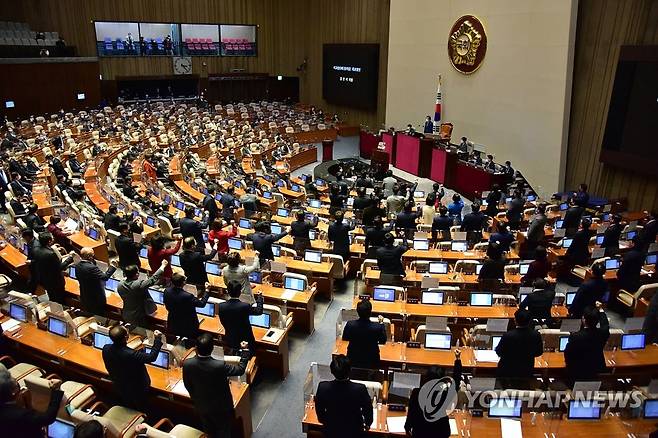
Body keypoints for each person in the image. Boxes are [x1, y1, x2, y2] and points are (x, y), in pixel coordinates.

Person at [183, 334, 250, 438]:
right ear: (212, 348)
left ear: (196, 348)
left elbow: (188, 385)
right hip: (221, 408)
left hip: (202, 406)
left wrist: (196, 399)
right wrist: (245, 351)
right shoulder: (219, 366)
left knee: (209, 431)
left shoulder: (187, 364)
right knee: (223, 431)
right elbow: (240, 370)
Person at [102, 325, 165, 410]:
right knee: (141, 407)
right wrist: (157, 339)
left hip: (119, 384)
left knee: (128, 403)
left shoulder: (106, 348)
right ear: (126, 337)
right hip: (138, 388)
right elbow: (151, 357)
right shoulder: (131, 354)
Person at [405, 350, 462, 438]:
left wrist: (407, 427)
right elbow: (456, 381)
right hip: (440, 433)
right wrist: (457, 359)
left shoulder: (416, 392)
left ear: (426, 378)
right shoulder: (445, 394)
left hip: (420, 432)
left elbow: (411, 412)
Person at [315, 354, 373, 438]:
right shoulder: (360, 389)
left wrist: (327, 422)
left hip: (331, 431)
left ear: (331, 371)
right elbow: (368, 411)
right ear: (350, 370)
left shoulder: (323, 387)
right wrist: (368, 424)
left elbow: (320, 413)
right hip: (354, 432)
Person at [0, 369, 64, 438]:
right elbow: (47, 418)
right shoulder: (22, 415)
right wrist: (56, 390)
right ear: (13, 392)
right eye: (15, 382)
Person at [495, 309, 543, 384]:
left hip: (507, 371)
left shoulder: (508, 335)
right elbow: (539, 352)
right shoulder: (536, 335)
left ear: (515, 320)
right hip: (527, 370)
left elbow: (499, 351)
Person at [564, 303, 610, 382]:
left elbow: (567, 354)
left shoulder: (576, 336)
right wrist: (601, 310)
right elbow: (605, 324)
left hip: (577, 371)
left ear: (583, 319)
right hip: (596, 368)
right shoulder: (603, 333)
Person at [218, 280, 264, 353]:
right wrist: (260, 297)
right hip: (246, 339)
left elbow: (222, 322)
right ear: (240, 292)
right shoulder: (244, 306)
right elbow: (259, 311)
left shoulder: (221, 306)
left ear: (228, 291)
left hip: (230, 338)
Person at [117, 261, 166, 329]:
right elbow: (153, 279)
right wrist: (162, 266)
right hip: (139, 316)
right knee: (142, 330)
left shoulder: (120, 284)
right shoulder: (138, 285)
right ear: (137, 274)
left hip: (126, 313)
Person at [342, 299, 387, 369]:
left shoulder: (350, 324)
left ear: (357, 312)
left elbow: (345, 338)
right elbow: (383, 341)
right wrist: (381, 322)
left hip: (353, 360)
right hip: (372, 362)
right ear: (370, 312)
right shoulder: (378, 327)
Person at [164, 273, 210, 342]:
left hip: (173, 322)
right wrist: (207, 290)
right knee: (190, 342)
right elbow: (202, 304)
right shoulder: (187, 296)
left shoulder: (167, 291)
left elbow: (167, 306)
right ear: (184, 282)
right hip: (188, 325)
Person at [32, 232, 75, 304]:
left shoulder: (36, 250)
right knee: (60, 299)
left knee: (52, 297)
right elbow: (60, 267)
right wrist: (70, 257)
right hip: (56, 281)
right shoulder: (50, 254)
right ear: (49, 241)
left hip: (45, 279)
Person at [75, 247, 117, 318]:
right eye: (93, 255)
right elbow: (105, 277)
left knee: (90, 310)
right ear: (89, 257)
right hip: (96, 296)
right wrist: (113, 266)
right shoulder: (91, 268)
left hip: (85, 293)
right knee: (99, 314)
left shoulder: (78, 265)